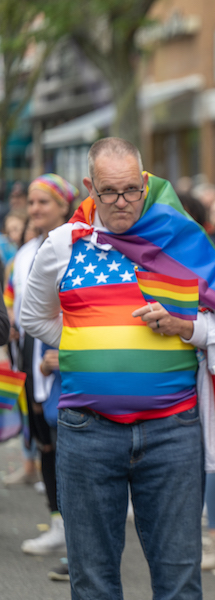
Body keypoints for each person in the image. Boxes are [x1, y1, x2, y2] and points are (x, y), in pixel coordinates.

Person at [19, 138, 215, 599]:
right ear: (88, 187)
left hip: (172, 430)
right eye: (109, 192)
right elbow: (31, 317)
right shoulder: (62, 243)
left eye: (132, 190)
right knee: (93, 581)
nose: (122, 203)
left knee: (179, 581)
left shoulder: (180, 239)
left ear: (147, 182)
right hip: (86, 431)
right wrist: (85, 344)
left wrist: (183, 326)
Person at [13, 174, 75, 558]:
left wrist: (65, 351)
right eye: (32, 203)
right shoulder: (23, 252)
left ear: (65, 206)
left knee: (71, 449)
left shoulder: (76, 245)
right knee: (45, 445)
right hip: (29, 362)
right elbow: (18, 311)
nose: (35, 209)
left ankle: (78, 534)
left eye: (44, 202)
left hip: (63, 360)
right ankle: (57, 523)